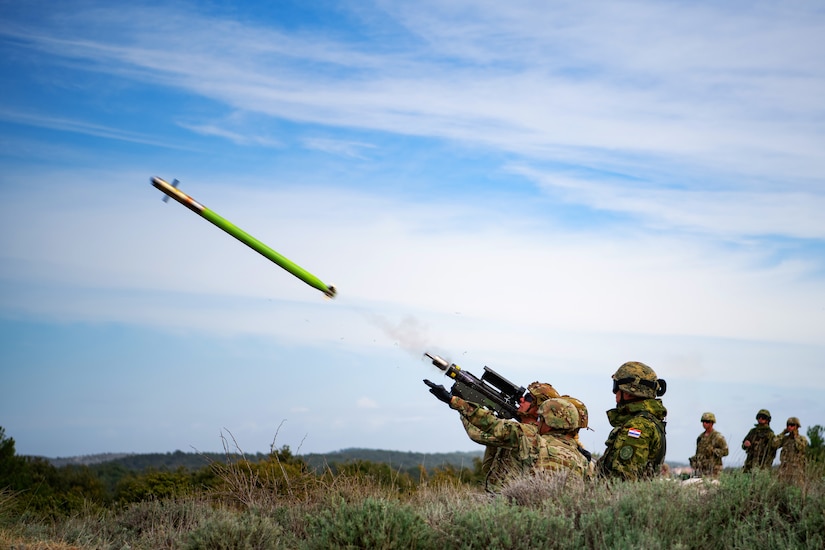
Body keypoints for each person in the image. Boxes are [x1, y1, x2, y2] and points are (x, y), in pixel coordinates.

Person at [424, 383, 590, 491]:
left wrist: (455, 402)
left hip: (512, 500)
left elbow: (489, 426)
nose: (522, 400)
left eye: (528, 399)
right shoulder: (581, 457)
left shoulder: (531, 437)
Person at [596, 361, 667, 481]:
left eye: (616, 387)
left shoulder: (638, 426)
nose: (615, 392)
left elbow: (623, 479)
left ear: (629, 392)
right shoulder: (648, 421)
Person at [688, 412, 728, 478]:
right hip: (702, 471)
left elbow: (725, 451)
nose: (704, 423)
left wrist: (713, 451)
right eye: (703, 421)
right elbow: (698, 453)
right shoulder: (700, 437)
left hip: (714, 471)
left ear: (712, 423)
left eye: (707, 421)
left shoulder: (717, 437)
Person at [774, 416, 808, 485]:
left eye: (792, 425)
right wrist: (783, 433)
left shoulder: (802, 439)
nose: (789, 427)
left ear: (797, 426)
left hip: (797, 471)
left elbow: (800, 447)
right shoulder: (785, 439)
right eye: (788, 425)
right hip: (784, 470)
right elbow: (774, 444)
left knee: (797, 491)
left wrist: (795, 436)